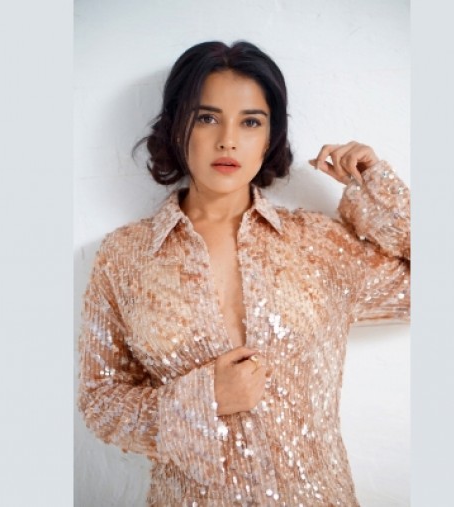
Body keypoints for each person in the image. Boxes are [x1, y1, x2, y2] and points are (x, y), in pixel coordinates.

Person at [77, 40, 410, 506]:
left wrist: (376, 186)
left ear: (270, 137)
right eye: (207, 118)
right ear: (177, 126)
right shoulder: (124, 257)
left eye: (250, 121)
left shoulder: (319, 245)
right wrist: (202, 400)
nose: (228, 140)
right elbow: (100, 401)